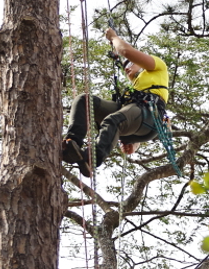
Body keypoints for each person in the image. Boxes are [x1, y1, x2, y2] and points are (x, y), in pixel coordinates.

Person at [62, 28, 169, 177]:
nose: (128, 68)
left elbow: (125, 51)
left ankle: (93, 158)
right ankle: (71, 143)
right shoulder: (137, 86)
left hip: (148, 113)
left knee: (113, 120)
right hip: (137, 115)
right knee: (84, 101)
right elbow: (131, 118)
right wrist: (134, 145)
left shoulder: (158, 66)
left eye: (132, 63)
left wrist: (113, 37)